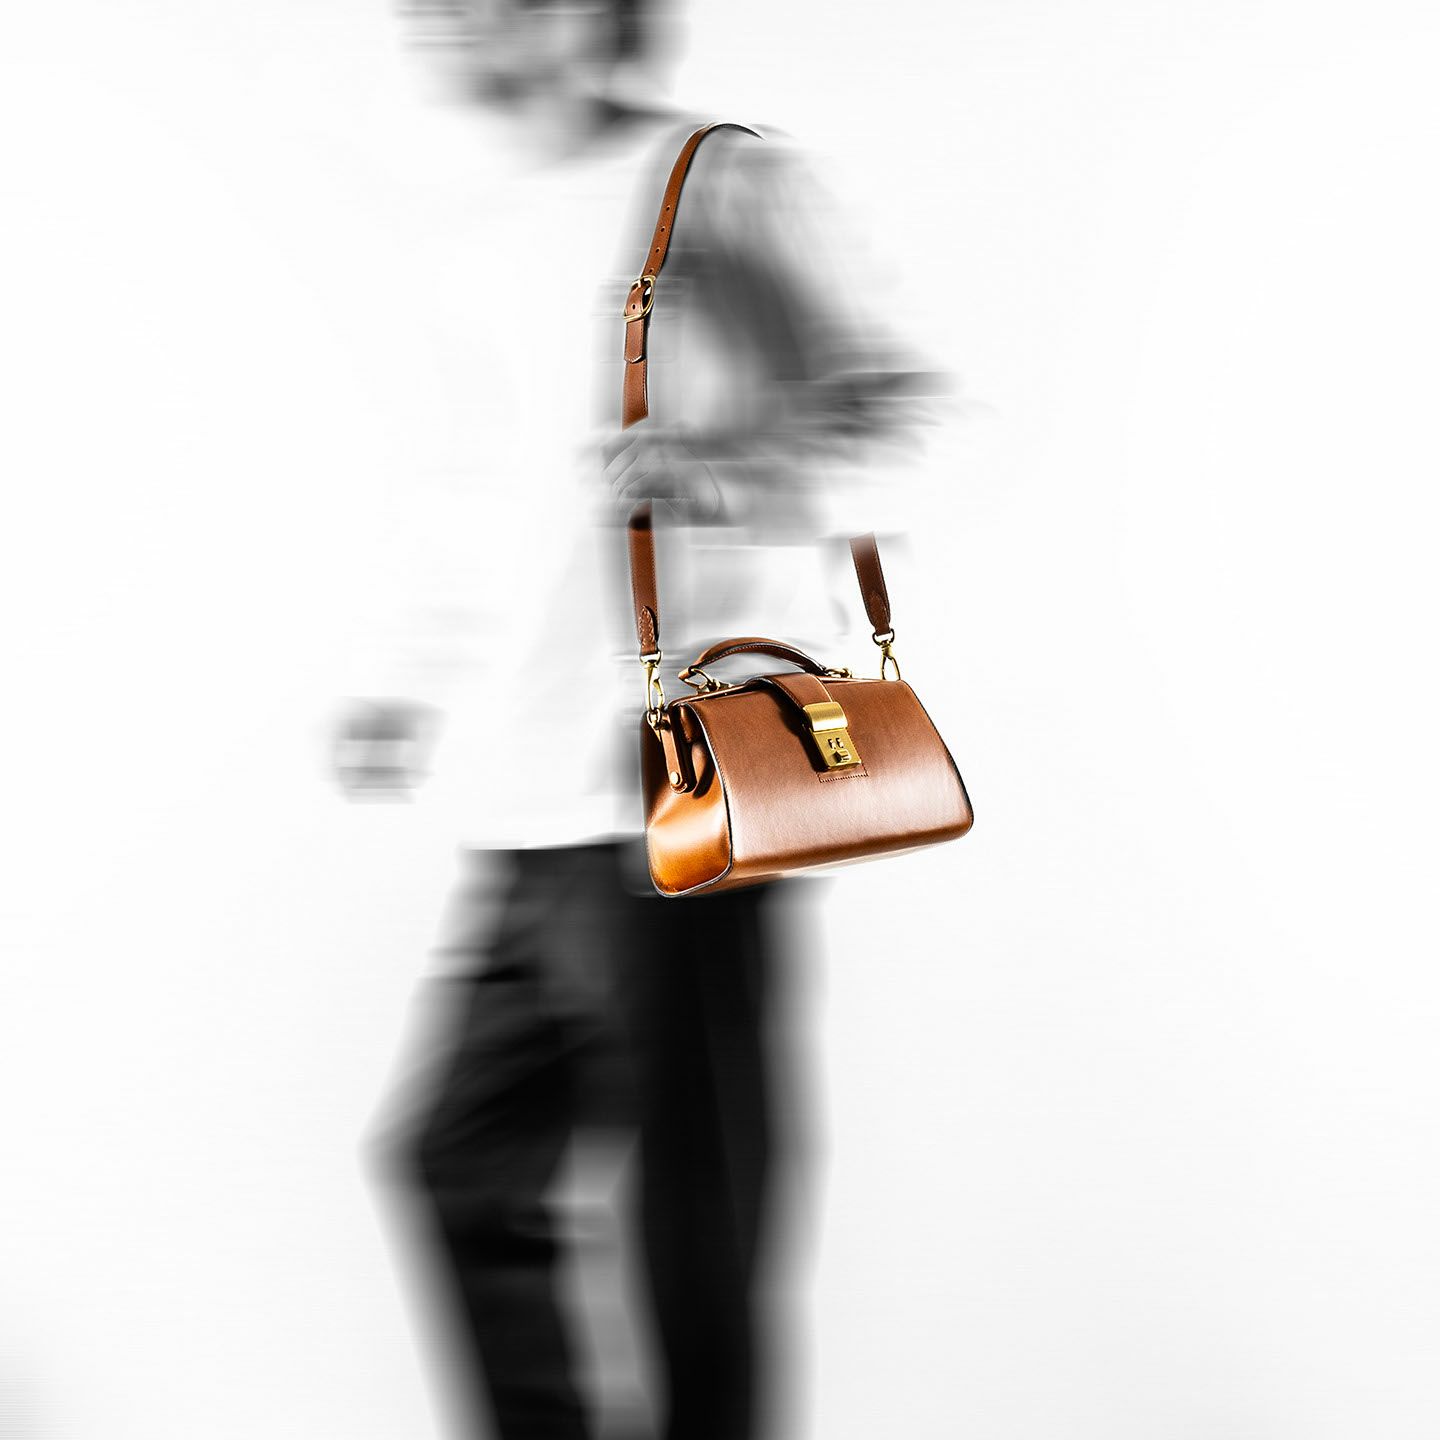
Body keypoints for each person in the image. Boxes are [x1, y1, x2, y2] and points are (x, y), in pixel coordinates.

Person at [337, 2, 945, 1437]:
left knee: (692, 1214)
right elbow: (483, 493)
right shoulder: (480, 225)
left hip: (680, 782)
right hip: (529, 791)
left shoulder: (718, 179)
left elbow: (900, 413)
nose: (449, 24)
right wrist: (416, 681)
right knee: (454, 1159)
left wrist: (725, 466)